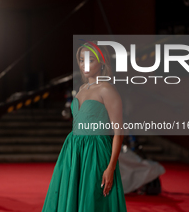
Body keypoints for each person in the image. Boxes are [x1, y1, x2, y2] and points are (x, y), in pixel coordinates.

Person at [41, 41, 127, 211]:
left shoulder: (107, 89)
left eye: (90, 60)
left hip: (95, 151)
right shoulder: (80, 88)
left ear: (101, 62)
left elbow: (119, 132)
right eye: (81, 60)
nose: (84, 64)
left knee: (92, 200)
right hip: (73, 149)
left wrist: (111, 167)